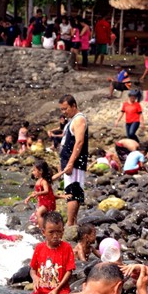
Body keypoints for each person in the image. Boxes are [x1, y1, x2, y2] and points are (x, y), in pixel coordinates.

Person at [17, 212, 75, 294]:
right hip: (40, 293)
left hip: (60, 292)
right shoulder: (39, 248)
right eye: (51, 232)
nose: (55, 236)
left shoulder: (67, 248)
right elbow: (33, 269)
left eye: (59, 232)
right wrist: (35, 278)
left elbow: (69, 271)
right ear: (43, 232)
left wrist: (57, 289)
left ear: (63, 231)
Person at [57, 95, 89, 226]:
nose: (63, 112)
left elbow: (79, 142)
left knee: (72, 191)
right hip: (69, 161)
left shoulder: (79, 119)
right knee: (70, 190)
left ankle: (70, 223)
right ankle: (72, 222)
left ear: (74, 106)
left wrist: (70, 163)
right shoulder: (71, 121)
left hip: (75, 163)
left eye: (65, 108)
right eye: (62, 109)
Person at [24, 159, 57, 227]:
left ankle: (42, 230)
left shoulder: (44, 181)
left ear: (41, 171)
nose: (33, 172)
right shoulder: (39, 181)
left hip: (48, 203)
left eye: (34, 170)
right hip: (43, 202)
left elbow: (46, 191)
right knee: (35, 217)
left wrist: (38, 194)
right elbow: (36, 192)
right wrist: (29, 197)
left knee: (39, 213)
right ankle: (41, 226)